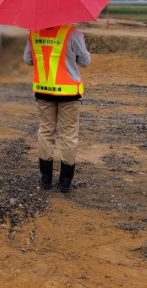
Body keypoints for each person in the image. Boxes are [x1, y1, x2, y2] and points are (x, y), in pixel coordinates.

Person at [23, 23, 91, 193]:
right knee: (68, 134)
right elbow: (85, 61)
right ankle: (65, 181)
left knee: (46, 132)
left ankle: (45, 178)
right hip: (68, 93)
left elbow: (28, 59)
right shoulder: (73, 33)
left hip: (44, 91)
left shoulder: (34, 32)